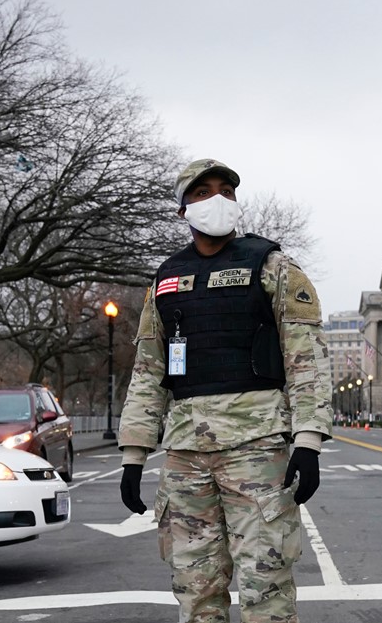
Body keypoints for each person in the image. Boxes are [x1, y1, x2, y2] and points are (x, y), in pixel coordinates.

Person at [117, 159, 333, 623]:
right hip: (184, 454)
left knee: (266, 585)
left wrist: (308, 440)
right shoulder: (166, 279)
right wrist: (133, 455)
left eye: (225, 190)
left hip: (255, 449)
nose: (215, 198)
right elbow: (148, 369)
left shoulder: (272, 265)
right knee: (195, 588)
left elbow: (306, 355)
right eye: (201, 192)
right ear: (182, 209)